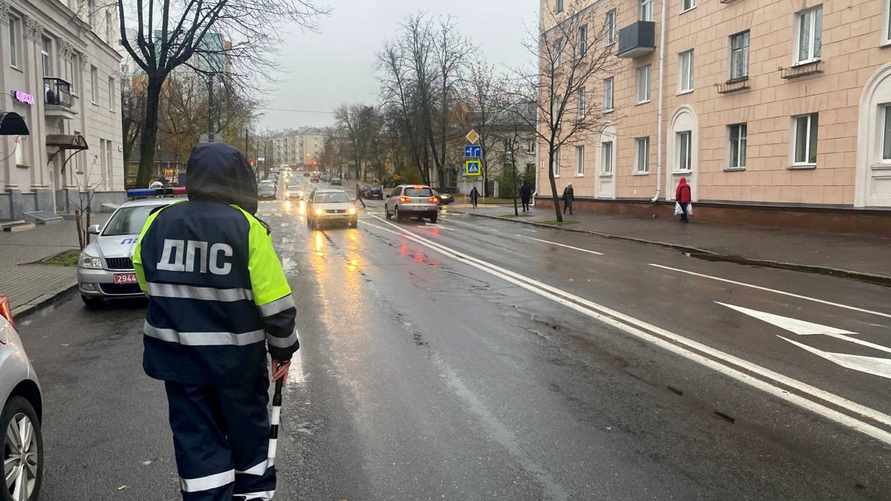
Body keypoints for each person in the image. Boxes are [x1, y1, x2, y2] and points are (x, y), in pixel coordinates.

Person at [133, 143, 299, 501]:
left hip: (179, 365)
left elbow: (144, 277)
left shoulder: (157, 222)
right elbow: (277, 305)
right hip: (236, 366)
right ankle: (252, 494)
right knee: (248, 436)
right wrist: (282, 352)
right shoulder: (247, 228)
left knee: (197, 443)